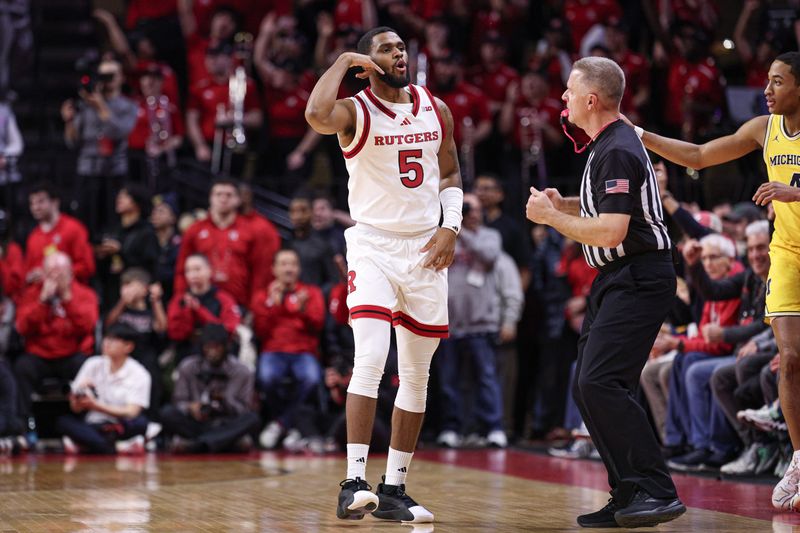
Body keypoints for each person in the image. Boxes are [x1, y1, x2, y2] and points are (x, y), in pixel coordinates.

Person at [627, 51, 800, 512]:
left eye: (778, 82)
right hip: (787, 252)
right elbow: (700, 156)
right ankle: (799, 459)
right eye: (767, 80)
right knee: (791, 357)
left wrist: (793, 192)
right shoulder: (763, 130)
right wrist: (639, 133)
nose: (766, 90)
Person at [305, 26, 463, 523]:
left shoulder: (436, 108)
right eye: (385, 49)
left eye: (401, 47)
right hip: (373, 244)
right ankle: (353, 481)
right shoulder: (354, 110)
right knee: (371, 357)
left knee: (417, 374)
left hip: (424, 248)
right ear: (366, 62)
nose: (398, 54)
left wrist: (451, 227)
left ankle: (394, 488)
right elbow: (314, 114)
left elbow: (452, 172)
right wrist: (342, 61)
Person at [525, 56, 685, 528]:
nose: (563, 98)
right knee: (587, 385)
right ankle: (629, 490)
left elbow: (613, 231)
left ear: (591, 99)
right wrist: (565, 204)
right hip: (618, 277)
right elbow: (612, 210)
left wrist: (552, 220)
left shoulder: (615, 147)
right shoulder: (609, 145)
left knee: (600, 382)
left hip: (638, 274)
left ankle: (655, 489)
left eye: (569, 91)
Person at [14, 252, 98, 434]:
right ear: (43, 274)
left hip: (72, 354)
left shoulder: (84, 294)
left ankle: (86, 424)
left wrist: (68, 300)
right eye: (51, 273)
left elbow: (87, 326)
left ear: (71, 274)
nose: (55, 278)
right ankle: (26, 425)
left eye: (60, 274)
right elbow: (22, 328)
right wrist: (42, 302)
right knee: (22, 367)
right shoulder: (32, 294)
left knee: (87, 366)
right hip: (39, 355)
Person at [159, 323, 259, 454]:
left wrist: (225, 401)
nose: (212, 352)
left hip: (226, 422)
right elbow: (178, 402)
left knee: (252, 419)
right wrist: (191, 407)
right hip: (197, 423)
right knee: (167, 413)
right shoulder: (188, 367)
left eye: (217, 347)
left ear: (226, 347)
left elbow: (244, 409)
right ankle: (220, 443)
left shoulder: (241, 371)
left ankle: (198, 445)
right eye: (208, 347)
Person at [56, 323, 151, 455]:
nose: (107, 343)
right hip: (93, 423)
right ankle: (119, 447)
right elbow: (75, 408)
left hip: (119, 424)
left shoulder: (139, 373)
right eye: (106, 338)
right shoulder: (92, 364)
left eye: (113, 340)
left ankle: (88, 444)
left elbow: (131, 412)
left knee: (141, 423)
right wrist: (78, 398)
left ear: (128, 346)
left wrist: (96, 406)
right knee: (63, 422)